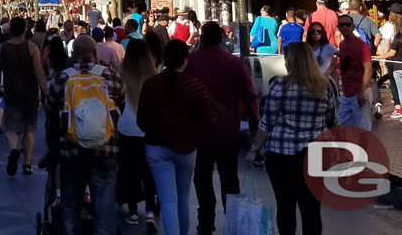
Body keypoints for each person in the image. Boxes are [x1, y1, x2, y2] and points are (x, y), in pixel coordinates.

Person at [247, 42, 341, 235]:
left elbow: (267, 123)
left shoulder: (279, 85)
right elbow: (332, 120)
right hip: (315, 155)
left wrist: (254, 150)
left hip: (281, 155)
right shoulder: (325, 86)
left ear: (291, 61)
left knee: (285, 207)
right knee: (311, 210)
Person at [186, 21, 259, 235]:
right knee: (230, 177)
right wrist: (253, 120)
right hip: (228, 129)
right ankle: (233, 219)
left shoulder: (192, 62)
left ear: (202, 37)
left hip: (201, 131)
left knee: (202, 177)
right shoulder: (233, 63)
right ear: (221, 38)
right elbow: (249, 93)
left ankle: (206, 221)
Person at [45, 35, 122, 235]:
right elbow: (120, 107)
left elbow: (51, 114)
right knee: (104, 206)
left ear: (73, 55)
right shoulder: (110, 76)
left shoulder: (62, 78)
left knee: (71, 204)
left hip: (71, 150)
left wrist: (54, 145)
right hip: (106, 149)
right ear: (95, 54)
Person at [137, 39, 210, 235]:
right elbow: (206, 121)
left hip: (157, 146)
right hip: (186, 147)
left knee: (167, 198)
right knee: (183, 197)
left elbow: (141, 119)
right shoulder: (195, 86)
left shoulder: (152, 84)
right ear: (185, 60)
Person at [0, 16, 48, 176]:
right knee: (29, 130)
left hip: (11, 92)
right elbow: (38, 72)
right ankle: (27, 164)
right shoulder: (31, 48)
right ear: (25, 30)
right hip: (30, 94)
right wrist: (46, 92)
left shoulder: (2, 48)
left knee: (10, 127)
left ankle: (13, 150)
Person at [116, 39, 158, 232]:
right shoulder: (153, 73)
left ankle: (132, 211)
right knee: (149, 171)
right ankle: (150, 210)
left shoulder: (120, 72)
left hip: (125, 128)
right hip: (148, 129)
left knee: (130, 170)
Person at [334, 14, 372, 129]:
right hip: (347, 93)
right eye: (341, 25)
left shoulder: (362, 45)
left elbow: (368, 69)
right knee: (342, 126)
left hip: (359, 92)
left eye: (347, 24)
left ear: (353, 26)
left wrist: (362, 91)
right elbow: (345, 64)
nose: (344, 27)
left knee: (362, 129)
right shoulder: (342, 44)